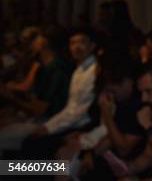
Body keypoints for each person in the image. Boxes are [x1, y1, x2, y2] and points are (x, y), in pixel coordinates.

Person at [20, 29, 98, 159]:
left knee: (33, 145)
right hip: (70, 122)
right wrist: (48, 127)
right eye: (72, 43)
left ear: (92, 46)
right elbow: (70, 108)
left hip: (83, 126)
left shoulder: (93, 70)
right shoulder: (79, 69)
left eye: (82, 42)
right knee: (29, 144)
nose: (76, 47)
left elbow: (77, 113)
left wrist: (48, 128)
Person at [0, 27, 70, 154]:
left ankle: (21, 170)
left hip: (50, 123)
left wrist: (11, 97)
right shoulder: (45, 67)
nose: (29, 45)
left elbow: (38, 110)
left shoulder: (56, 70)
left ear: (44, 43)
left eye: (33, 41)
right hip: (42, 119)